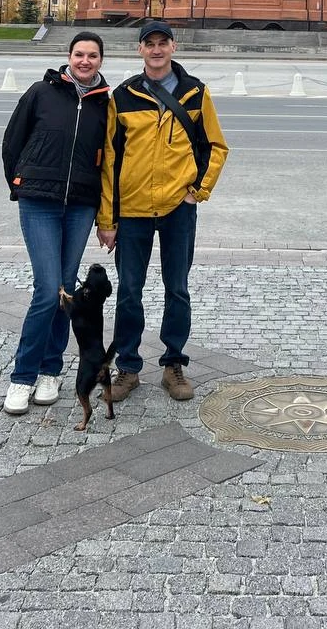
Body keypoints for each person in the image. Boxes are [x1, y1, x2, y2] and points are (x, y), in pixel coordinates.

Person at [96, 21, 228, 403]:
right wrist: (108, 219)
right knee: (129, 291)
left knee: (177, 289)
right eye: (149, 44)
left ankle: (173, 364)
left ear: (173, 46)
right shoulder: (123, 96)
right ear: (140, 50)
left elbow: (216, 147)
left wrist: (196, 192)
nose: (156, 50)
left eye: (162, 43)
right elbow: (109, 161)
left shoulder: (195, 93)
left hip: (176, 208)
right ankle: (128, 368)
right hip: (134, 208)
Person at [0, 31, 111, 415]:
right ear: (68, 57)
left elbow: (110, 160)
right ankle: (22, 376)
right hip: (39, 203)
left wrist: (105, 216)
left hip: (80, 205)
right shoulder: (41, 91)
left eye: (92, 56)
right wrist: (20, 181)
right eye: (79, 54)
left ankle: (51, 370)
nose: (85, 61)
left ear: (100, 60)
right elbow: (13, 140)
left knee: (65, 291)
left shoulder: (104, 104)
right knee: (47, 291)